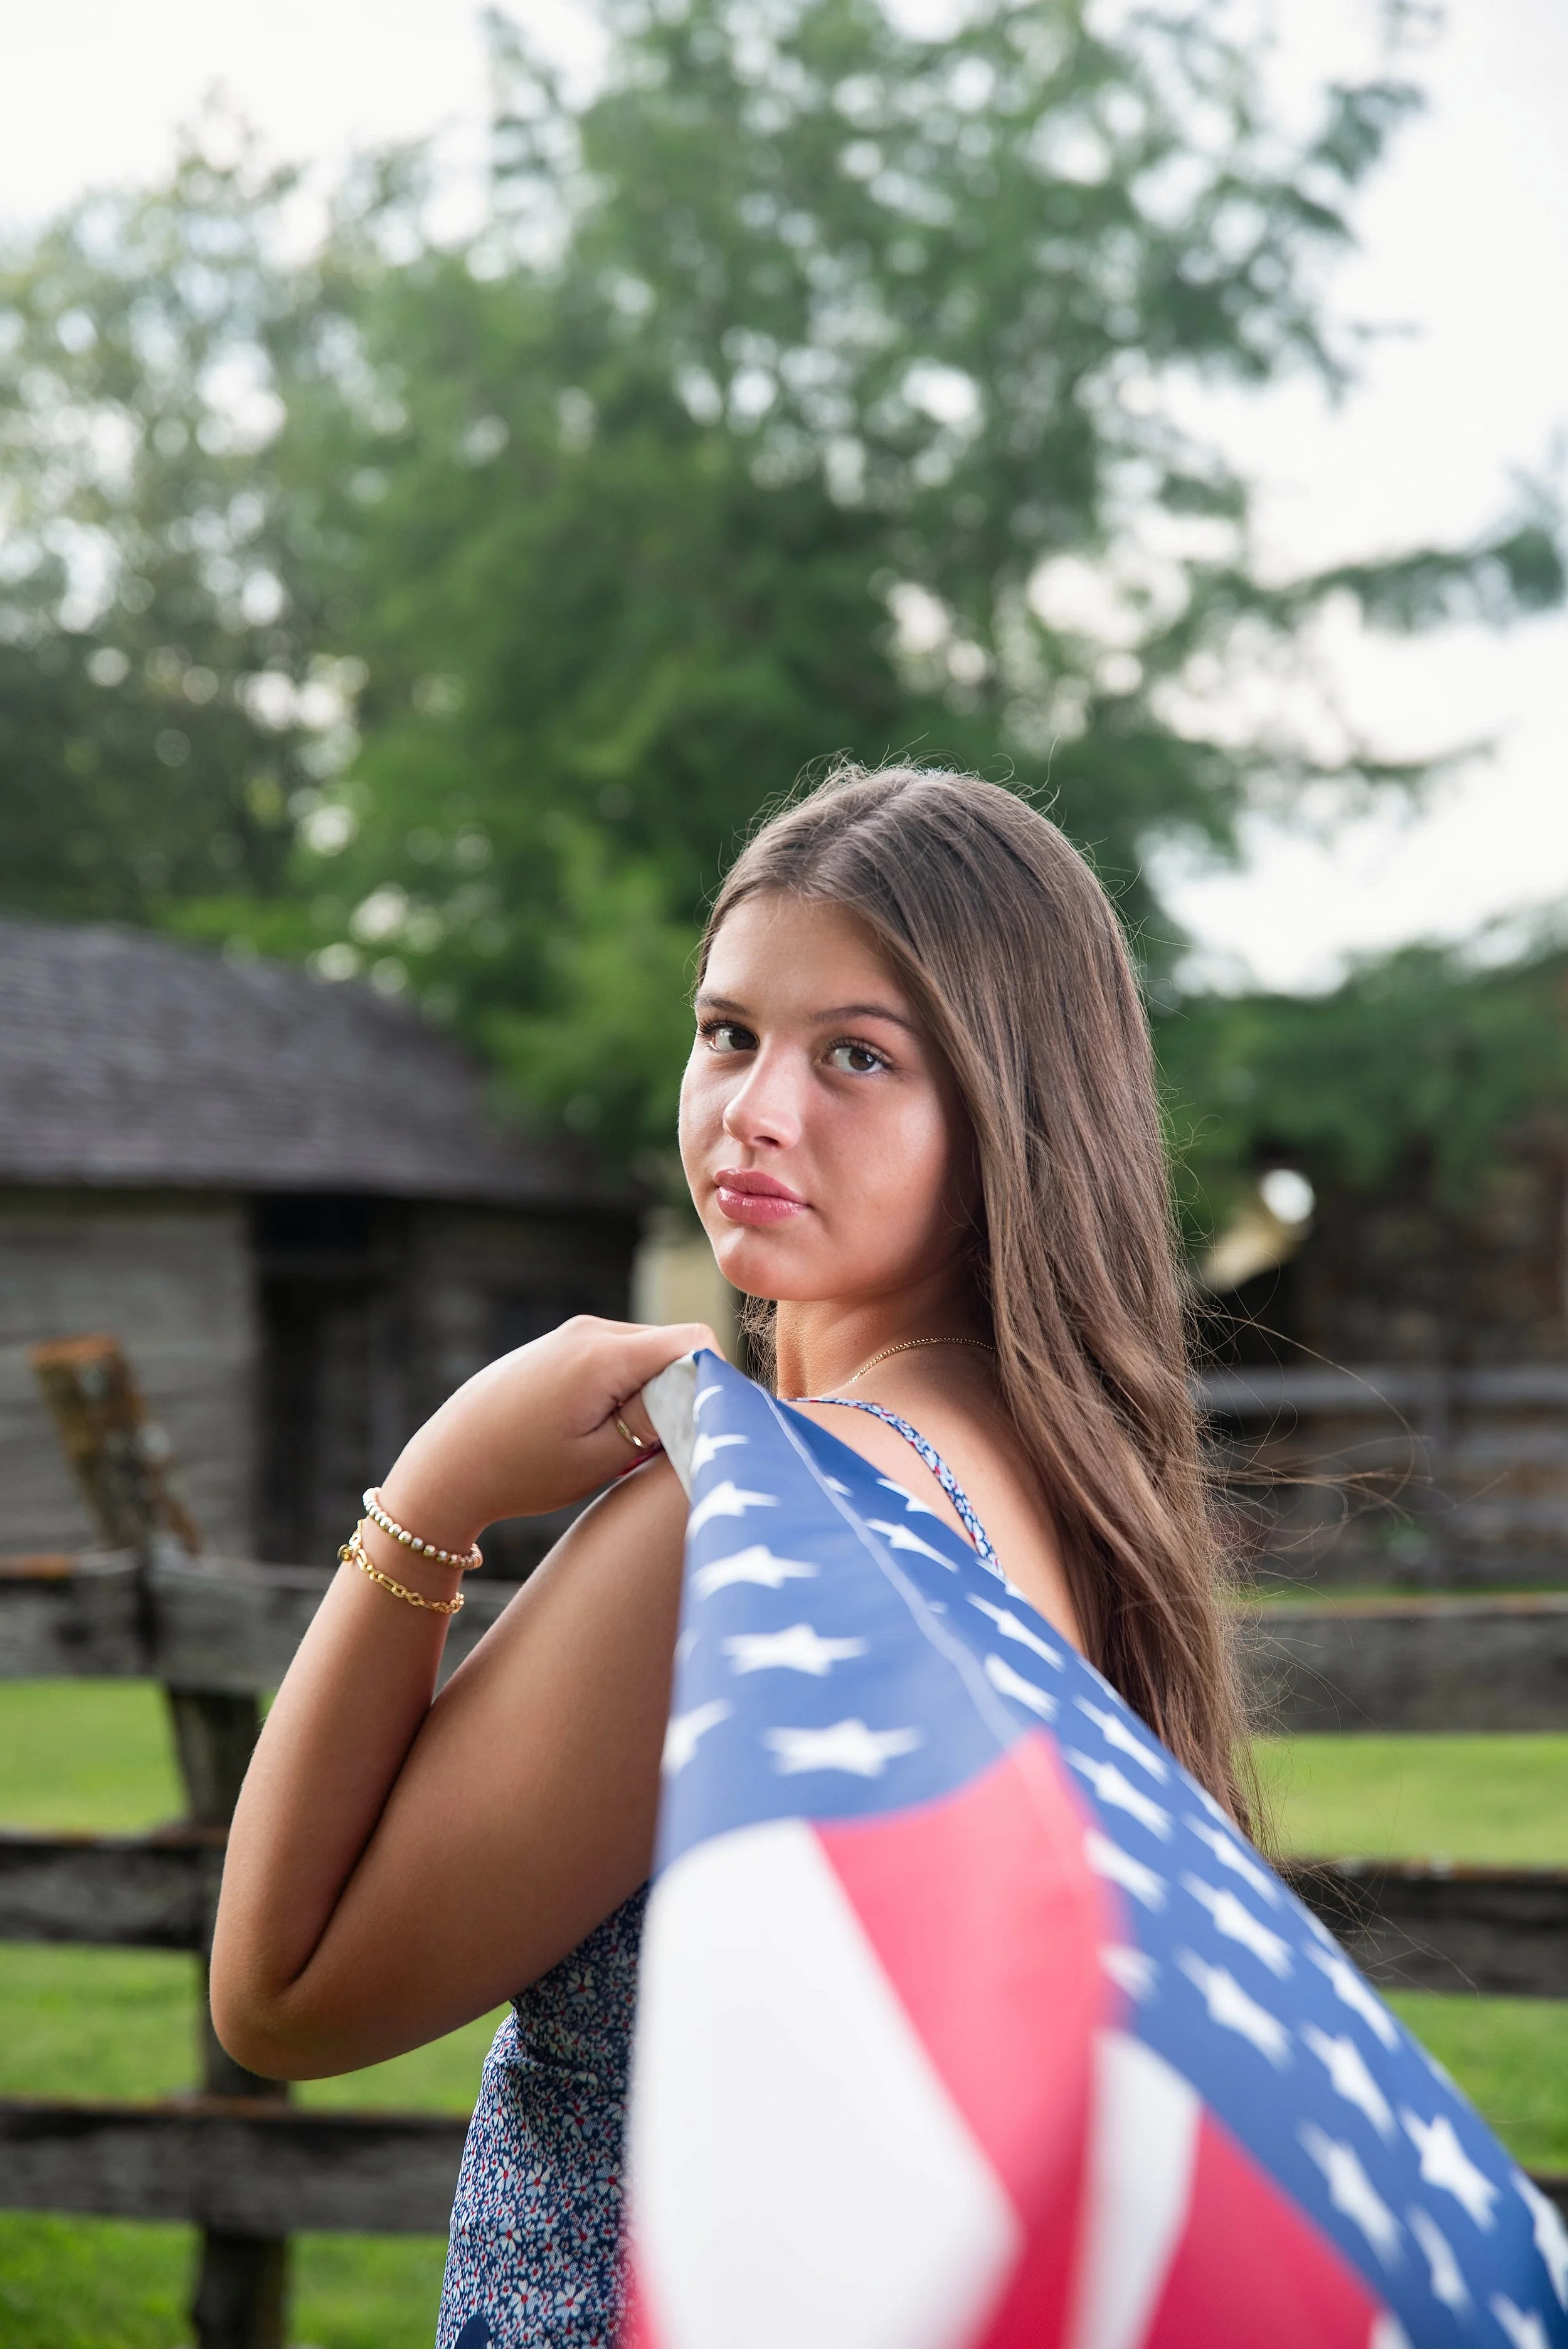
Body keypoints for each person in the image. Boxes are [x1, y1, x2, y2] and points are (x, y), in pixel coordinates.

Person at [210, 762, 1249, 2347]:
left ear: (1012, 1107)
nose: (755, 1108)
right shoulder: (1063, 1488)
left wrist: (434, 1489)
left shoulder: (752, 1523)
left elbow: (284, 1995)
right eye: (726, 1033)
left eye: (856, 1056)